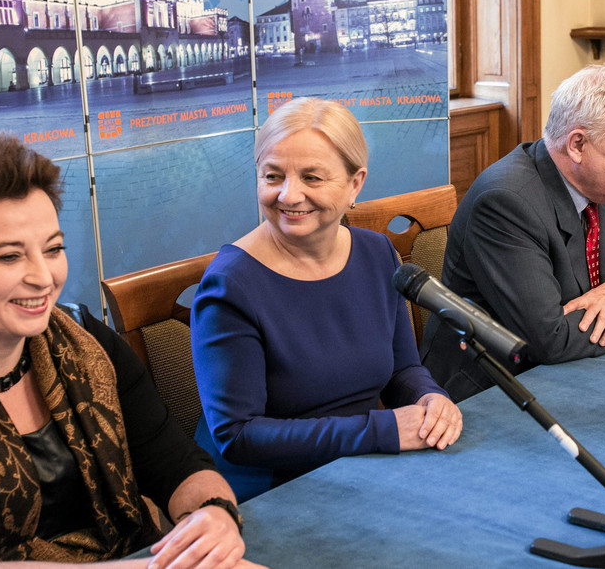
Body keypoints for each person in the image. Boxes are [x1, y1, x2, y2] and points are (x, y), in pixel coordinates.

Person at [0, 130, 260, 568]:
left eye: (53, 249)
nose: (43, 277)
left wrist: (215, 515)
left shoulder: (85, 336)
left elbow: (176, 462)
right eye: (9, 257)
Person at [192, 97, 461, 502]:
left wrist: (430, 398)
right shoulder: (230, 286)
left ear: (356, 183)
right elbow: (239, 435)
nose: (289, 195)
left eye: (312, 178)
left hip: (366, 464)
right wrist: (382, 430)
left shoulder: (378, 254)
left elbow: (402, 368)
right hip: (272, 490)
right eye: (273, 176)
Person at [420, 65, 605, 402]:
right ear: (577, 144)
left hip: (582, 371)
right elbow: (547, 338)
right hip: (491, 391)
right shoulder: (506, 201)